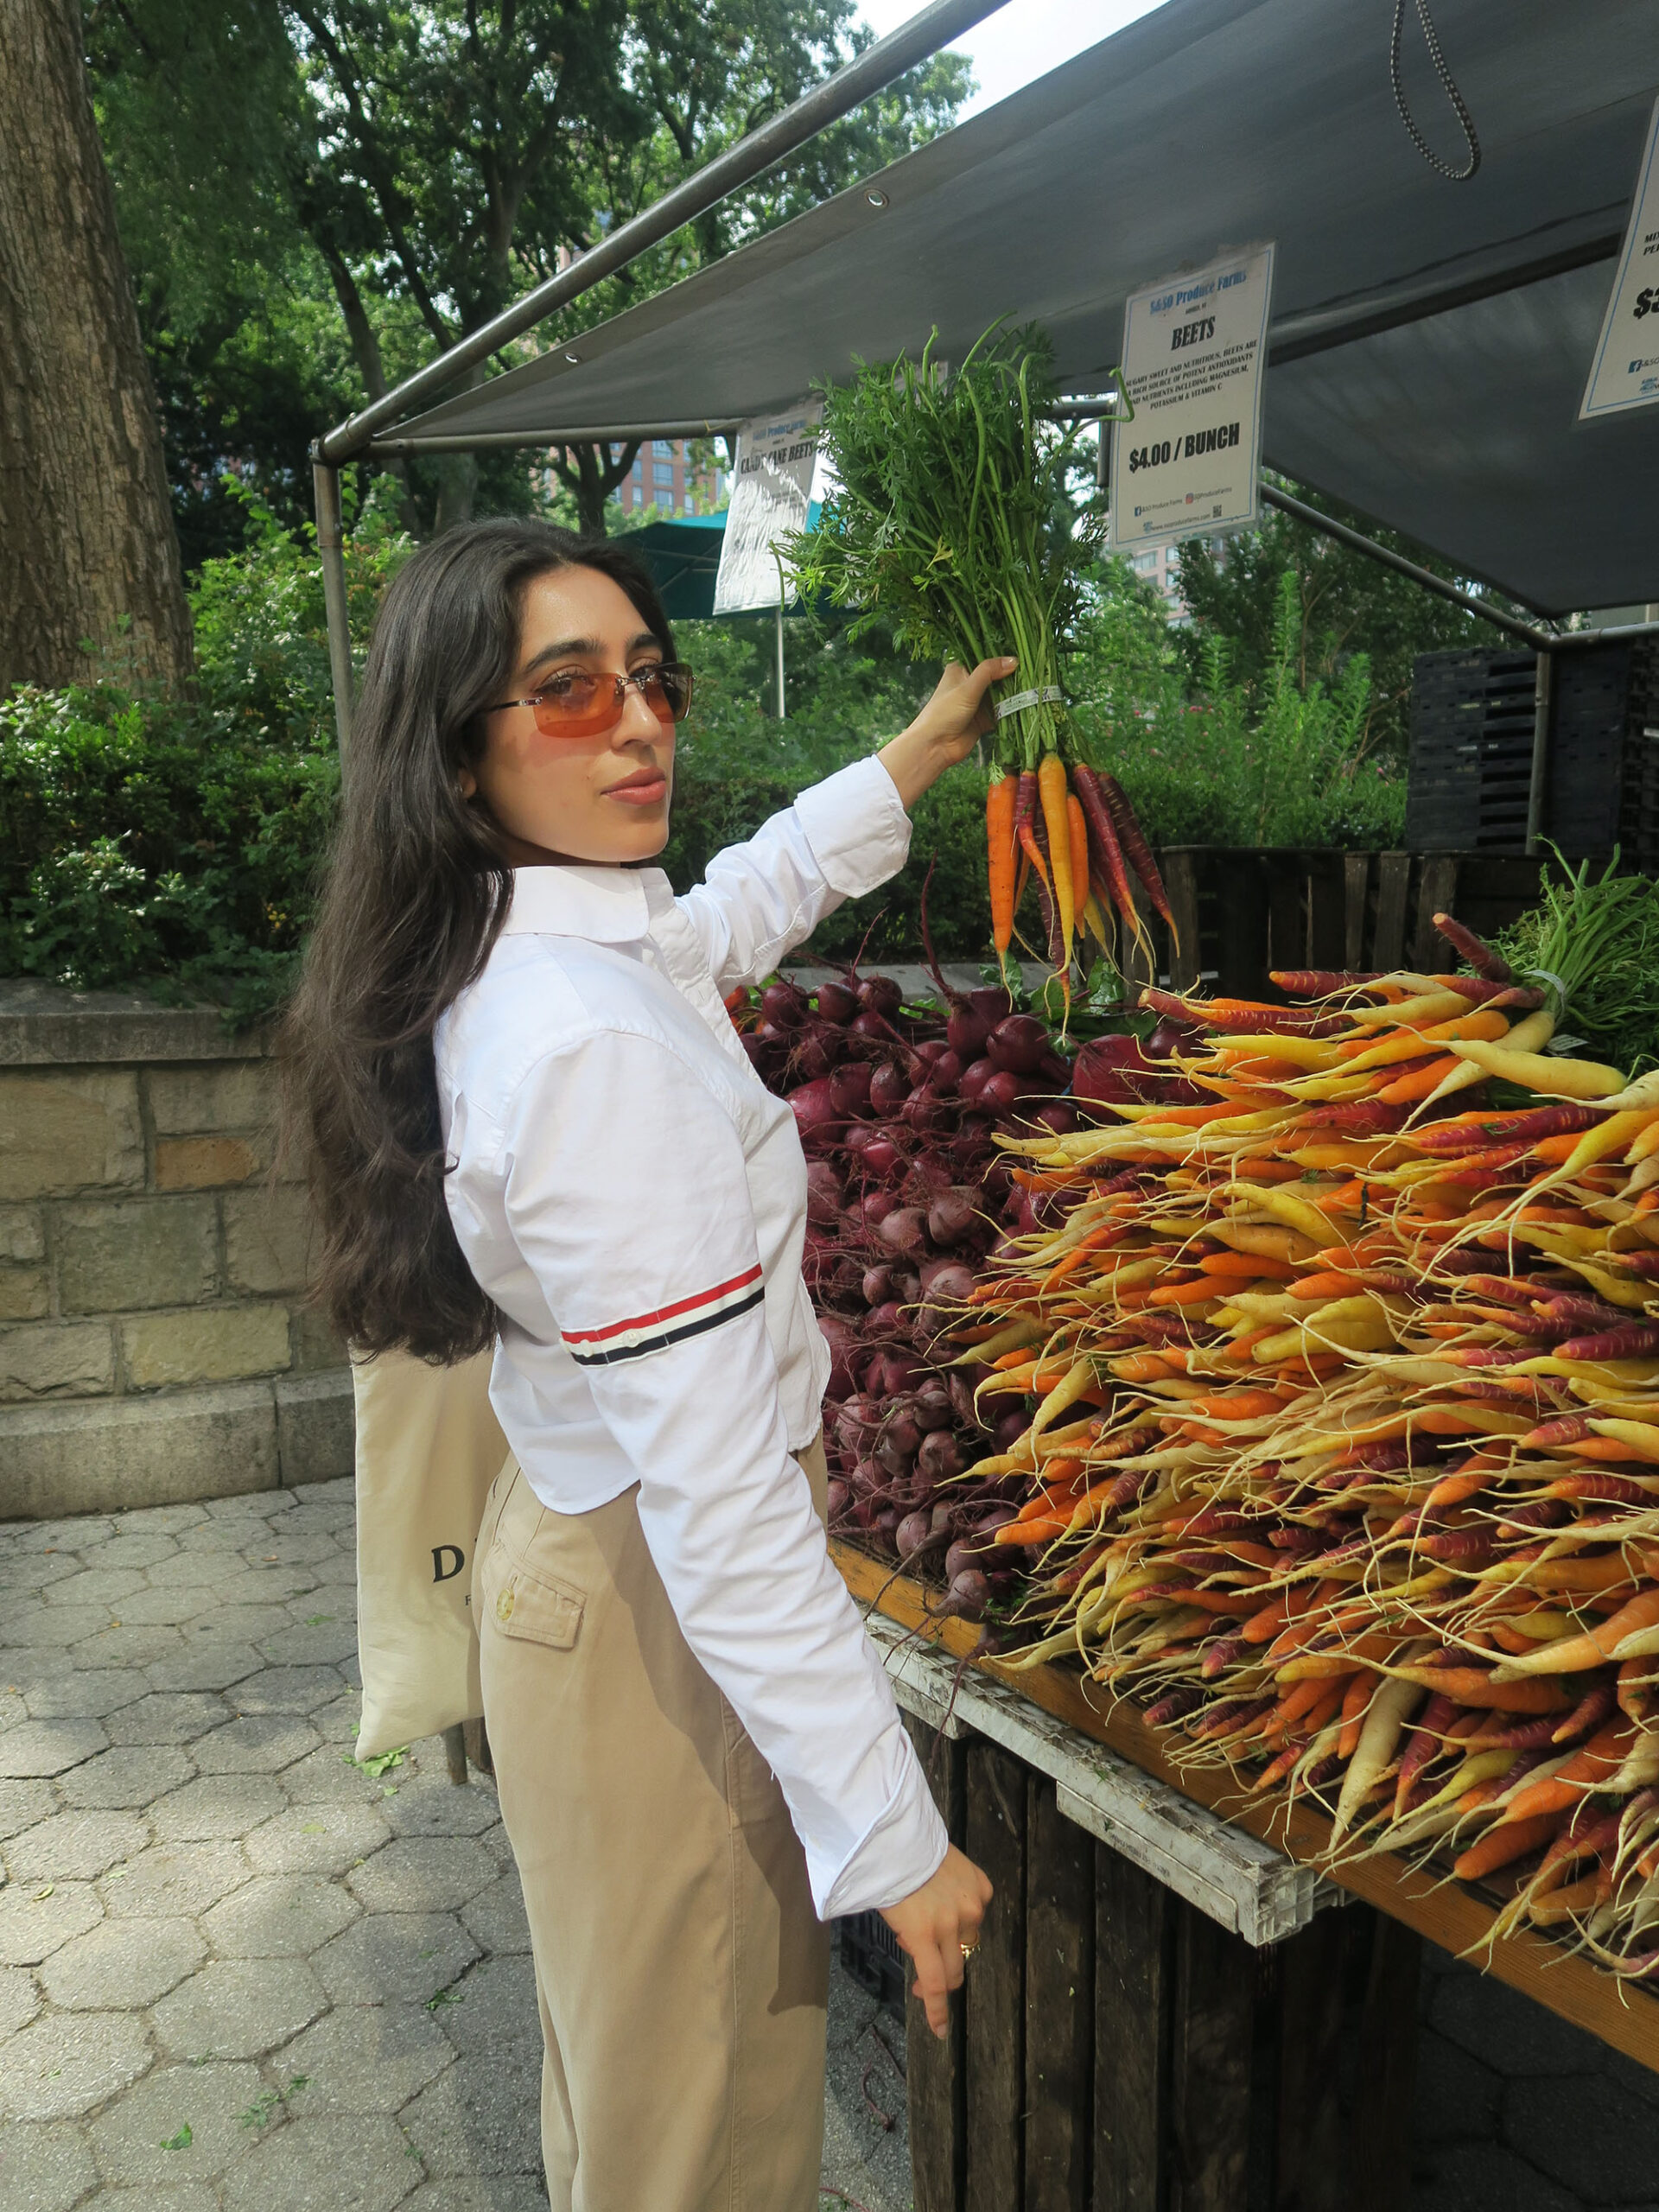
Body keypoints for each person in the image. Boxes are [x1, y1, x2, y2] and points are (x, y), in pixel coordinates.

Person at [285, 518, 996, 2211]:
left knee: (625, 2102)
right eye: (569, 689)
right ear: (463, 751)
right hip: (653, 1616)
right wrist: (895, 1839)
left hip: (586, 1571)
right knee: (698, 2142)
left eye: (648, 677)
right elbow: (725, 1509)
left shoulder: (535, 941)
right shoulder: (586, 1048)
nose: (639, 722)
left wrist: (906, 755)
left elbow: (721, 920)